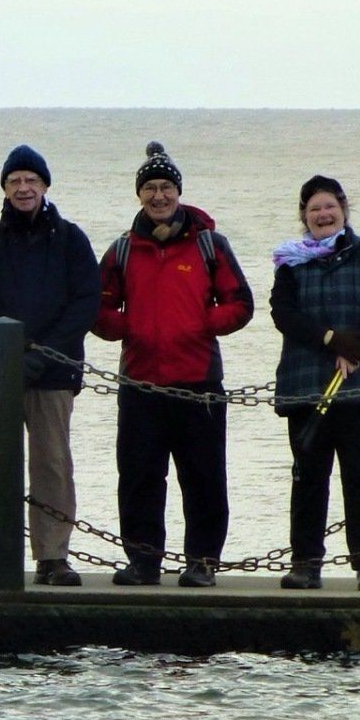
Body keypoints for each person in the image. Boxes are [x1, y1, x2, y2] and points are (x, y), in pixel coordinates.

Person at [93, 141, 254, 587]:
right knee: (140, 477)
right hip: (140, 382)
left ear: (178, 192)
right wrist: (129, 327)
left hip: (198, 383)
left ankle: (201, 562)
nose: (159, 196)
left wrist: (200, 323)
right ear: (139, 195)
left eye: (166, 187)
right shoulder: (122, 249)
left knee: (203, 479)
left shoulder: (209, 245)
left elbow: (240, 304)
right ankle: (144, 561)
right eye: (150, 188)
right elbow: (99, 309)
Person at [0, 144, 99, 587]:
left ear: (45, 187)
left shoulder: (71, 239)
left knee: (52, 462)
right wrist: (2, 353)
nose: (23, 188)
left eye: (31, 181)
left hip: (54, 371)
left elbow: (85, 302)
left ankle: (53, 555)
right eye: (15, 181)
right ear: (4, 188)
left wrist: (42, 355)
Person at [270, 174, 360, 591]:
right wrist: (330, 340)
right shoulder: (290, 262)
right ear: (304, 217)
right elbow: (283, 313)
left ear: (343, 209)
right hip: (305, 383)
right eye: (314, 210)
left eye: (329, 207)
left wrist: (357, 344)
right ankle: (306, 564)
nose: (323, 215)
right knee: (308, 477)